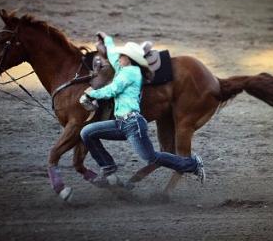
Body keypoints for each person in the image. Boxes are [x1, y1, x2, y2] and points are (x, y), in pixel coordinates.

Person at [80, 32, 205, 187]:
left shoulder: (131, 73)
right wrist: (108, 39)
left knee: (151, 157)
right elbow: (112, 55)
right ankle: (108, 167)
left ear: (129, 59)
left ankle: (192, 165)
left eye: (122, 56)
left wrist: (91, 93)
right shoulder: (122, 67)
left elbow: (112, 90)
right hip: (120, 123)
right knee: (87, 132)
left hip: (133, 124)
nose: (119, 58)